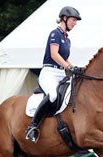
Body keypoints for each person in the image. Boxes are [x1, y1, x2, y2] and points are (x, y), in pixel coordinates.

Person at [26, 6, 82, 142]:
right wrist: (69, 66)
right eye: (73, 20)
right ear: (64, 18)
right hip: (49, 72)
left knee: (72, 94)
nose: (75, 23)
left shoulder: (67, 39)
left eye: (75, 21)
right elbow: (54, 54)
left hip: (60, 72)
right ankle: (32, 127)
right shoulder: (55, 34)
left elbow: (64, 57)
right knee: (53, 95)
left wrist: (74, 67)